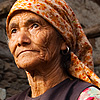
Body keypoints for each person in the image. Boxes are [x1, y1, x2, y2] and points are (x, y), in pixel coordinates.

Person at [6, 0, 100, 100]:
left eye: (35, 26)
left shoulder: (86, 96)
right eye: (14, 31)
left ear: (64, 40)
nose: (20, 40)